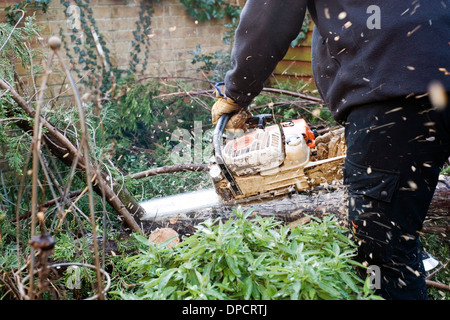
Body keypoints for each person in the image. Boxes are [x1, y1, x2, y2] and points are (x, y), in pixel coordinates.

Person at [211, 0, 450, 300]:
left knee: (382, 249)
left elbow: (270, 12)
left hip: (395, 96)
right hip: (427, 76)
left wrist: (236, 92)